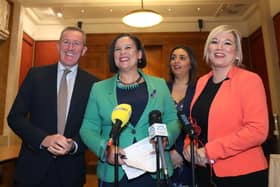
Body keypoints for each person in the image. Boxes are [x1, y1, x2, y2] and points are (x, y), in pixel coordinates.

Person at [79, 33, 180, 187]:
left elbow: (173, 120)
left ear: (139, 54)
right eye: (117, 49)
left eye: (128, 48)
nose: (122, 52)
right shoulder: (98, 89)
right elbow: (88, 128)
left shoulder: (160, 85)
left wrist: (166, 138)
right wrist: (105, 150)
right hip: (114, 173)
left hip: (155, 169)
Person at [7, 26, 99, 187]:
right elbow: (15, 117)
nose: (70, 48)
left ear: (84, 50)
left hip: (71, 173)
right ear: (58, 46)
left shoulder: (94, 85)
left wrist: (74, 145)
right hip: (32, 170)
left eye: (76, 43)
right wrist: (44, 139)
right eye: (66, 42)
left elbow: (95, 127)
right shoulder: (35, 75)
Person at [183, 24, 269, 187]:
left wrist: (209, 151)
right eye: (214, 41)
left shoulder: (250, 80)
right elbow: (195, 123)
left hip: (243, 174)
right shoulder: (202, 82)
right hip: (204, 171)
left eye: (227, 43)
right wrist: (189, 146)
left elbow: (257, 130)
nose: (219, 47)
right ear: (208, 49)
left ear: (237, 53)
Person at [167, 46, 197, 187]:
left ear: (191, 64)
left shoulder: (198, 88)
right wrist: (169, 151)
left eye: (182, 58)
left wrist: (180, 151)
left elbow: (201, 123)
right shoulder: (162, 88)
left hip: (192, 154)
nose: (176, 61)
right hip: (165, 153)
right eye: (173, 58)